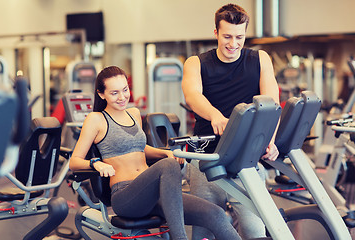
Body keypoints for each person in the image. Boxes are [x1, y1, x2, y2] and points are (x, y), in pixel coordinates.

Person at [69, 66, 242, 240]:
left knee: (216, 214)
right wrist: (96, 163)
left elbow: (140, 148)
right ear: (101, 94)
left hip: (156, 193)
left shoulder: (134, 114)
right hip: (126, 197)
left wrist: (164, 153)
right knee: (168, 165)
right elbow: (74, 161)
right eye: (114, 93)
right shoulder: (96, 119)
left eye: (125, 90)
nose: (122, 97)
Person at [182, 3, 280, 239]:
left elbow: (271, 103)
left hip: (245, 159)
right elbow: (193, 95)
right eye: (227, 36)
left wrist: (270, 140)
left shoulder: (260, 59)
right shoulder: (196, 63)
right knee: (205, 231)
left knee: (254, 228)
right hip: (206, 158)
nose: (233, 43)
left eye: (239, 37)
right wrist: (215, 114)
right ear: (215, 32)